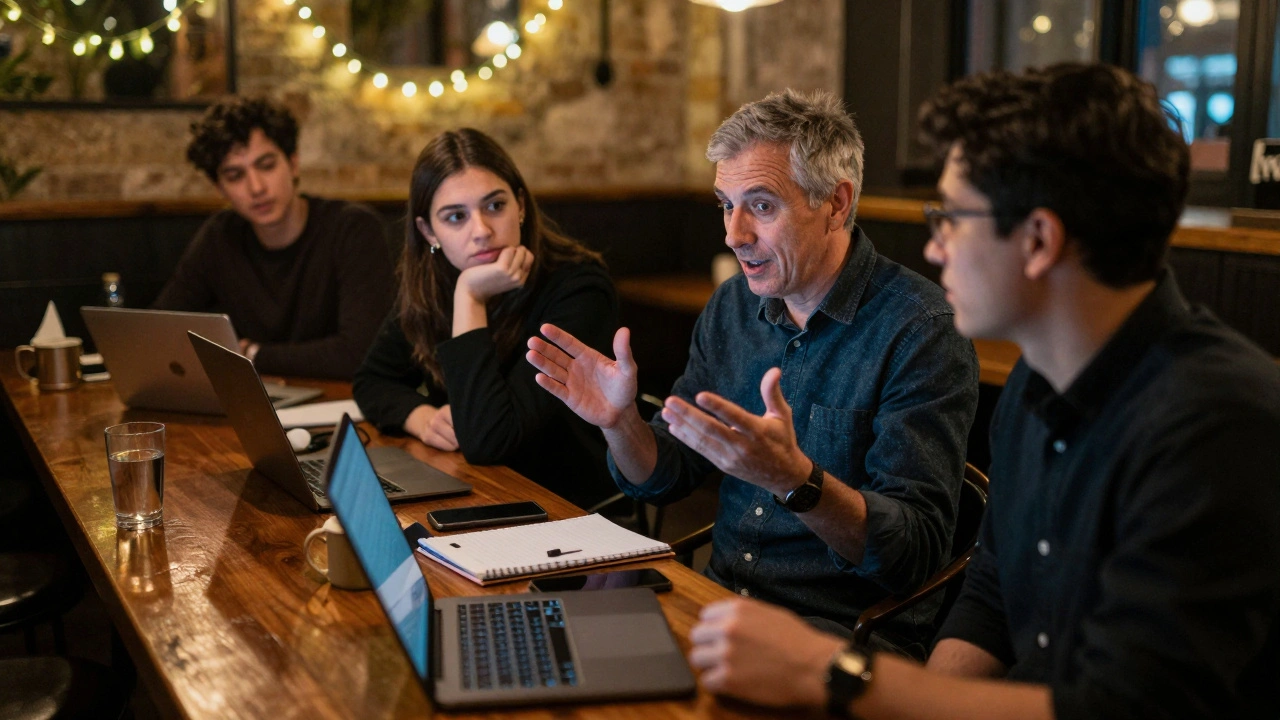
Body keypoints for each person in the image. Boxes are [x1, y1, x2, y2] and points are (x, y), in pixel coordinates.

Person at [685, 63, 1280, 719]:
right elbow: (991, 595)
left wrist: (834, 674)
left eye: (952, 218)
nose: (936, 251)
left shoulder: (1219, 422)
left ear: (1038, 240)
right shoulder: (1035, 383)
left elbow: (1126, 707)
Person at [527, 90, 980, 654]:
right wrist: (619, 422)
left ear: (836, 204)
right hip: (716, 601)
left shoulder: (922, 331)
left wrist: (796, 480)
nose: (733, 234)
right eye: (725, 204)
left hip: (839, 637)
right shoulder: (732, 307)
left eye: (761, 206)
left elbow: (912, 556)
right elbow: (669, 473)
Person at [353, 129, 619, 510]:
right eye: (456, 217)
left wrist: (471, 296)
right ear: (429, 231)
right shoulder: (433, 281)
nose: (481, 231)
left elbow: (490, 440)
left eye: (495, 206)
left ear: (521, 206)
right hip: (475, 492)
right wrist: (420, 416)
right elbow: (372, 380)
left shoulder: (579, 289)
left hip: (569, 510)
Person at [153, 96, 393, 379]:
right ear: (219, 188)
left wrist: (254, 355)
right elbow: (160, 331)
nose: (256, 187)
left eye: (266, 165)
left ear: (293, 164)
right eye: (235, 175)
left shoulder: (352, 228)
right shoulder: (219, 237)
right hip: (256, 403)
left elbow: (359, 353)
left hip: (343, 408)